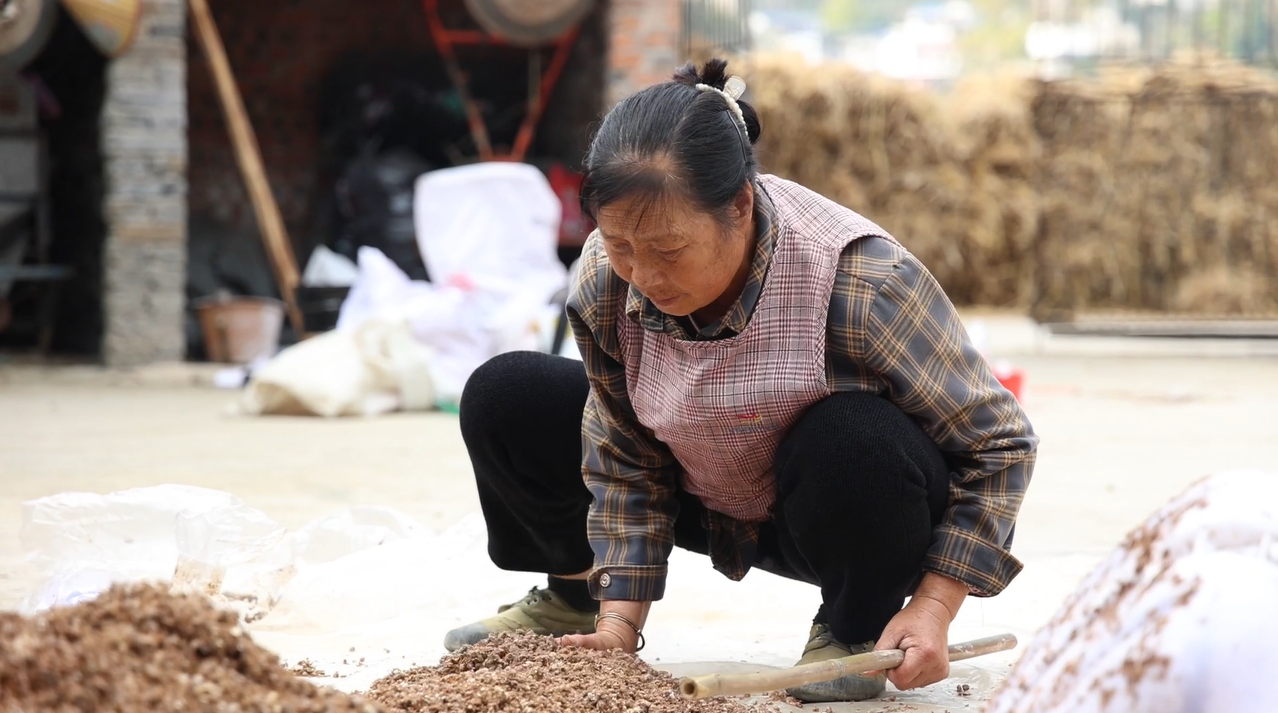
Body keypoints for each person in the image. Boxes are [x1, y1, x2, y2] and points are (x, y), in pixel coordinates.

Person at [446, 58, 1038, 703]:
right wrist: (621, 625)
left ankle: (853, 628)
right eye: (620, 245)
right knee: (510, 394)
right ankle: (577, 597)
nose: (645, 274)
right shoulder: (605, 277)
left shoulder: (862, 282)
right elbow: (621, 449)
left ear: (740, 204)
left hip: (832, 510)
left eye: (669, 250)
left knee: (855, 437)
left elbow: (997, 446)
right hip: (700, 491)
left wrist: (933, 607)